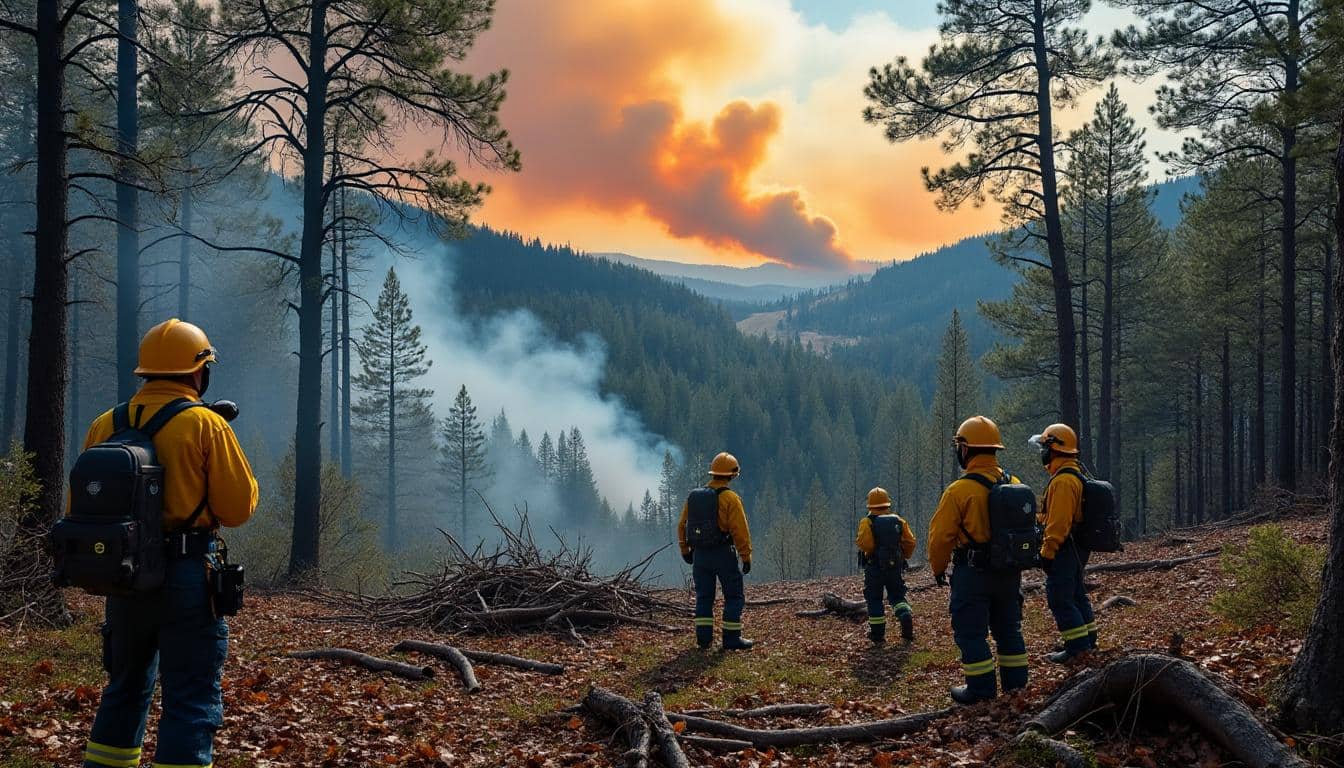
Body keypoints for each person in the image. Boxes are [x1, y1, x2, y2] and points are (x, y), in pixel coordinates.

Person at [80, 319, 259, 768]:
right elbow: (237, 510)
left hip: (124, 576)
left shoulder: (106, 424)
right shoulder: (205, 424)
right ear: (199, 372)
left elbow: (79, 504)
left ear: (147, 373)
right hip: (186, 575)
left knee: (124, 688)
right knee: (191, 698)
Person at [927, 415, 1029, 704]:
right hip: (1009, 573)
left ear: (966, 449)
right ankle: (1017, 689)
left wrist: (938, 568)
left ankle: (981, 691)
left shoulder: (959, 491)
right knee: (1009, 630)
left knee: (971, 633)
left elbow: (941, 538)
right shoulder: (1015, 483)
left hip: (973, 574)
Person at [1030, 423, 1098, 662]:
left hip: (1064, 547)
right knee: (1076, 594)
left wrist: (1047, 553)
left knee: (1059, 597)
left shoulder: (1063, 481)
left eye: (1044, 448)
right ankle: (1088, 643)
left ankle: (1077, 650)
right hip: (1076, 546)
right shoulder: (1073, 474)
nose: (1042, 454)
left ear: (1054, 449)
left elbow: (1058, 524)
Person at [678, 452, 753, 651]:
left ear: (713, 473)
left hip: (700, 555)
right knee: (734, 596)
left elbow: (681, 524)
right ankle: (731, 639)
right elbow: (740, 531)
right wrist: (746, 556)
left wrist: (685, 550)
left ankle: (703, 640)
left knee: (704, 597)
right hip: (723, 554)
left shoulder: (695, 497)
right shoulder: (730, 498)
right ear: (732, 474)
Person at [855, 487, 917, 644]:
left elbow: (865, 544)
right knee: (897, 595)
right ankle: (905, 616)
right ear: (887, 503)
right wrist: (904, 556)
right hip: (895, 567)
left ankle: (878, 635)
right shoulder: (898, 521)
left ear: (869, 505)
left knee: (874, 599)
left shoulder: (867, 522)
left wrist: (871, 553)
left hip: (874, 567)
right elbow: (910, 541)